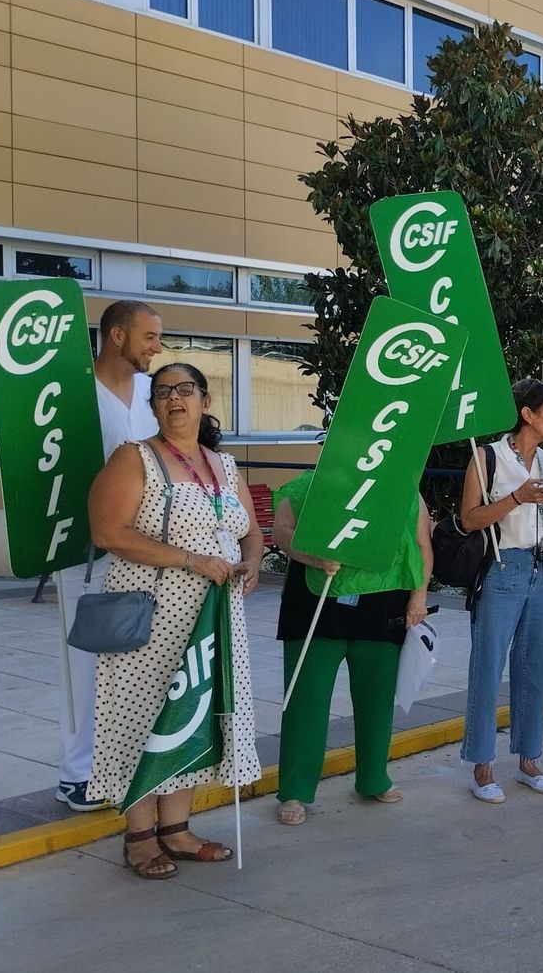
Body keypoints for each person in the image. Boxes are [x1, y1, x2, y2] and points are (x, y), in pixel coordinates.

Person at [86, 363, 262, 879]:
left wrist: (252, 563)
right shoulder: (134, 458)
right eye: (163, 392)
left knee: (191, 713)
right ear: (154, 406)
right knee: (141, 719)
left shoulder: (224, 465)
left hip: (212, 617)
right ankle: (140, 837)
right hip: (150, 616)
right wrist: (190, 560)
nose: (174, 399)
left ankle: (177, 830)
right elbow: (107, 532)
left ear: (205, 400)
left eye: (185, 389)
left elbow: (250, 531)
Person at [272, 474, 433, 825]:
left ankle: (374, 778)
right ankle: (295, 790)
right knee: (305, 702)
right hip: (315, 605)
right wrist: (312, 556)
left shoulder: (404, 488)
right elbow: (280, 532)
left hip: (383, 605)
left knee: (377, 699)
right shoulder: (307, 485)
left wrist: (419, 596)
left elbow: (423, 544)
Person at [55, 301, 163, 813]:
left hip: (147, 551)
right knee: (84, 661)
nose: (157, 347)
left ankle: (124, 763)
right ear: (117, 336)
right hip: (85, 551)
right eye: (149, 337)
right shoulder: (72, 393)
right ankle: (77, 774)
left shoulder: (153, 392)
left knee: (137, 658)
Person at [460, 379, 543, 803]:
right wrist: (517, 498)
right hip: (503, 565)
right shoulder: (487, 456)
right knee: (488, 666)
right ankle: (482, 765)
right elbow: (469, 519)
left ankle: (529, 758)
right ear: (528, 414)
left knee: (534, 666)